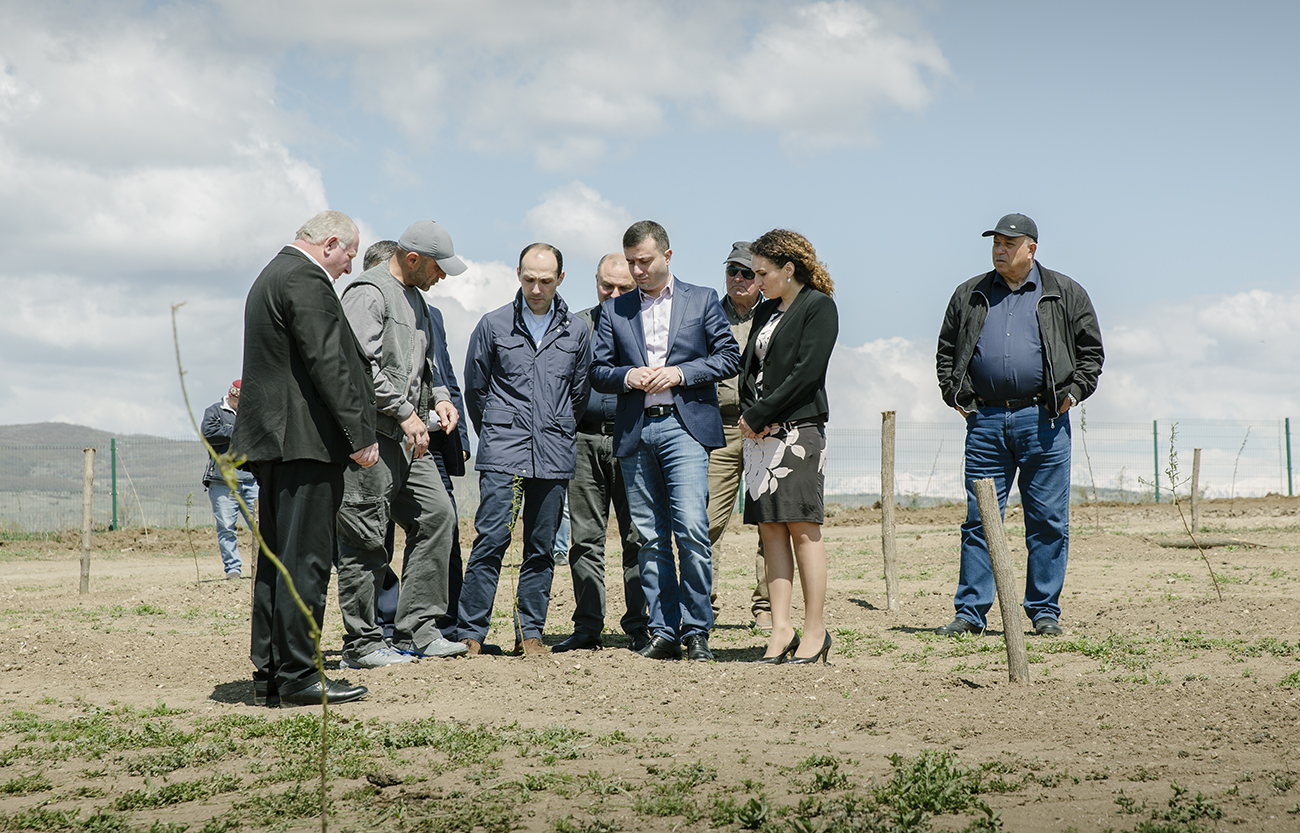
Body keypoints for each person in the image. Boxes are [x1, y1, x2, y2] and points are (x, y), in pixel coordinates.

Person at [232, 209, 379, 708]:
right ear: (330, 243)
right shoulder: (305, 277)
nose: (349, 267)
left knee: (277, 560)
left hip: (276, 443)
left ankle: (272, 672)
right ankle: (299, 674)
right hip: (305, 443)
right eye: (348, 256)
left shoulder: (271, 275)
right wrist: (358, 432)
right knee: (306, 561)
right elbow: (328, 360)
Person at [933, 213, 1104, 638]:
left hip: (1044, 421)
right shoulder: (970, 294)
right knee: (979, 520)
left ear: (1031, 248)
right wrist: (956, 395)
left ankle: (1044, 611)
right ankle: (970, 613)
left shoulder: (1064, 292)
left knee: (1047, 520)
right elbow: (946, 350)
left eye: (1009, 243)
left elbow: (1091, 353)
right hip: (985, 421)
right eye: (996, 242)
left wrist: (1073, 393)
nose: (1000, 249)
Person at [591, 220, 739, 662]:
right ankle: (663, 631)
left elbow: (728, 357)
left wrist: (680, 373)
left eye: (644, 261)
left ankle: (696, 632)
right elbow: (598, 370)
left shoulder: (702, 299)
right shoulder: (615, 311)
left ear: (667, 256)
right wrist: (627, 376)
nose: (636, 271)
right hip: (635, 429)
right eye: (631, 262)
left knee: (691, 530)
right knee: (649, 537)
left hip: (684, 428)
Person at [335, 221, 468, 668]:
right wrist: (405, 411)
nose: (442, 276)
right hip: (372, 438)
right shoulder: (368, 293)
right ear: (413, 259)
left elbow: (428, 366)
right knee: (366, 536)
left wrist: (442, 399)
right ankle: (363, 644)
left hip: (411, 439)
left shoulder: (418, 300)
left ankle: (419, 629)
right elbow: (358, 367)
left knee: (438, 515)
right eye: (437, 267)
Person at [456, 243, 591, 656]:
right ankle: (471, 633)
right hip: (503, 450)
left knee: (541, 545)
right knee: (491, 540)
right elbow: (475, 388)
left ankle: (529, 632)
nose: (536, 289)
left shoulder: (577, 331)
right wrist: (500, 430)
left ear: (560, 279)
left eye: (545, 281)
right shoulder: (493, 324)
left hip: (553, 451)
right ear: (518, 274)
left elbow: (579, 394)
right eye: (529, 279)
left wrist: (553, 426)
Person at [738, 229, 838, 665]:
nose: (756, 282)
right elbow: (749, 370)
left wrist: (761, 414)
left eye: (763, 273)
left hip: (799, 432)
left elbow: (806, 373)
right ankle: (781, 628)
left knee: (802, 528)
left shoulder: (819, 307)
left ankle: (815, 630)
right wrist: (751, 414)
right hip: (759, 436)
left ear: (789, 269)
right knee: (770, 529)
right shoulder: (765, 311)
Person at [552, 253, 649, 653]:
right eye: (606, 286)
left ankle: (642, 626)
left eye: (624, 287)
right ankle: (587, 626)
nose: (614, 293)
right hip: (583, 441)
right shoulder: (575, 326)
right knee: (585, 540)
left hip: (634, 440)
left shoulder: (650, 326)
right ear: (595, 282)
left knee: (638, 538)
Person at [705, 242, 771, 632]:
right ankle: (703, 606)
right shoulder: (707, 315)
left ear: (761, 278)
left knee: (770, 524)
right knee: (708, 521)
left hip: (767, 429)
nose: (739, 279)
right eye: (732, 271)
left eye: (747, 272)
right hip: (720, 428)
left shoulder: (776, 315)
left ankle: (766, 607)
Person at [200, 379, 258, 580]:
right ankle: (233, 569)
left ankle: (263, 567)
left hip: (251, 480)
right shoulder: (214, 411)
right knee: (226, 527)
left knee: (260, 527)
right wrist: (237, 431)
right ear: (232, 396)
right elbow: (209, 433)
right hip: (221, 482)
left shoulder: (251, 413)